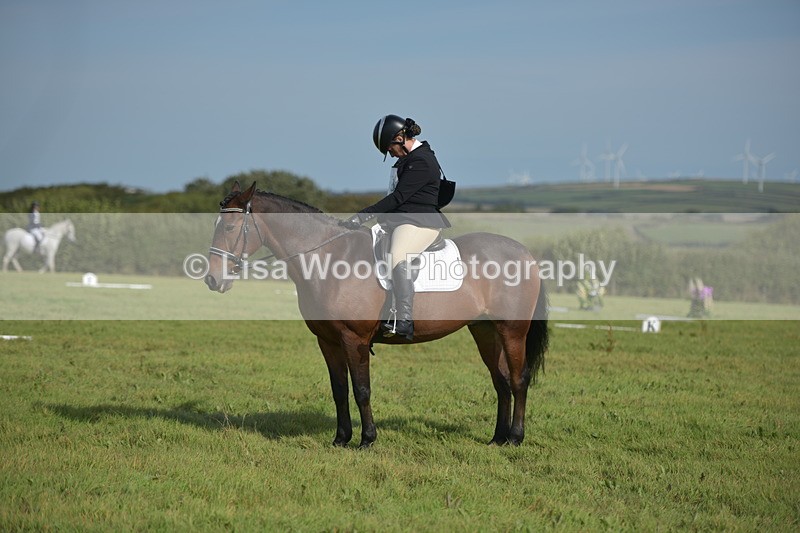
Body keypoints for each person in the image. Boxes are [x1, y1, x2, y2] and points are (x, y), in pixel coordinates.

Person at [341, 115, 451, 340]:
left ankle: (404, 321)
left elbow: (399, 197)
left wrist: (364, 215)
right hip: (403, 220)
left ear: (400, 137)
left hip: (421, 222)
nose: (390, 152)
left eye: (390, 147)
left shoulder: (422, 160)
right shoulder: (408, 159)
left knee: (398, 256)